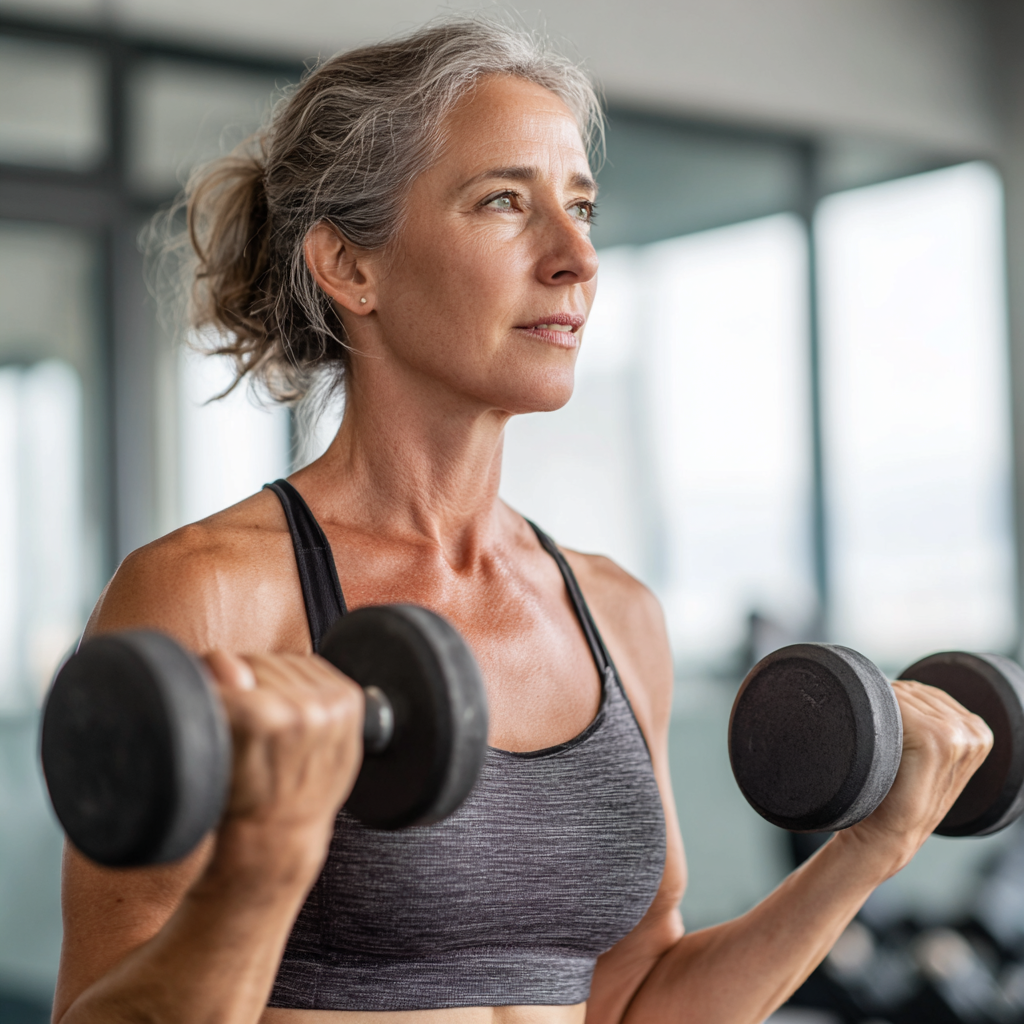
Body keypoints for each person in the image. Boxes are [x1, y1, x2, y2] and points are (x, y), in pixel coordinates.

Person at [51, 17, 993, 1024]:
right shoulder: (209, 597)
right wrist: (264, 865)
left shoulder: (615, 613)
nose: (577, 256)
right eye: (503, 200)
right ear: (350, 266)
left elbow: (632, 1001)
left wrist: (864, 855)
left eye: (581, 207)